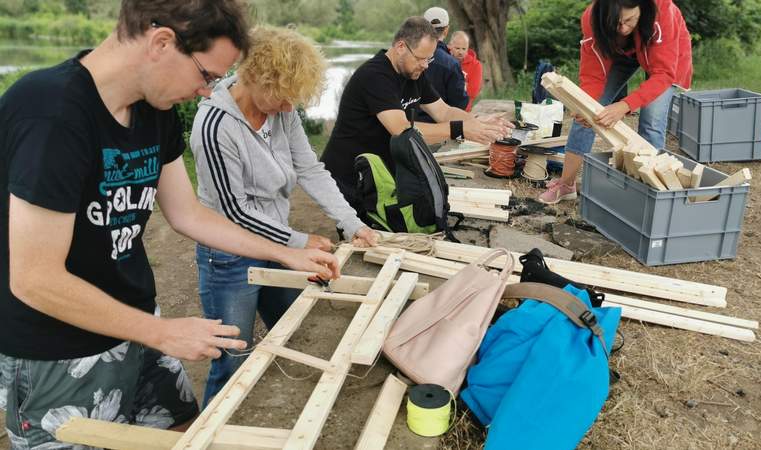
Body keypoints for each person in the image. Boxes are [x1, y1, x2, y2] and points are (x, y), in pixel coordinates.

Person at [0, 1, 339, 447]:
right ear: (162, 42)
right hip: (58, 349)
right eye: (208, 76)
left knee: (185, 435)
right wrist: (163, 333)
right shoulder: (51, 113)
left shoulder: (152, 109)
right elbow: (34, 279)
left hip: (136, 322)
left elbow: (187, 214)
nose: (207, 92)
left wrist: (283, 252)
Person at [189, 26, 379, 407]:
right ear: (255, 75)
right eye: (283, 97)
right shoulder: (214, 127)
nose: (290, 108)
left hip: (276, 244)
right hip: (228, 256)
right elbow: (234, 211)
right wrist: (297, 241)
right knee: (231, 357)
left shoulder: (281, 108)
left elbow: (309, 168)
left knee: (292, 327)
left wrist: (351, 221)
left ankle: (286, 404)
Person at [320, 16, 513, 212]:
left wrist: (477, 122)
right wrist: (460, 129)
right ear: (401, 46)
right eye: (421, 58)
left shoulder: (413, 73)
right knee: (358, 234)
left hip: (378, 170)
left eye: (429, 58)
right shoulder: (375, 76)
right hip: (349, 174)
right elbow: (402, 130)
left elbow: (443, 111)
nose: (425, 65)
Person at [538, 0, 692, 204]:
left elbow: (663, 74)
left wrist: (624, 105)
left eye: (629, 20)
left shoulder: (662, 12)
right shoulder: (593, 18)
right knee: (587, 110)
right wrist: (586, 106)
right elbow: (592, 76)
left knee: (652, 122)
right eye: (616, 23)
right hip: (620, 53)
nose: (623, 28)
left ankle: (652, 197)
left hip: (665, 57)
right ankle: (566, 185)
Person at [416, 6, 469, 122]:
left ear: (422, 29)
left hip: (407, 126)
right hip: (440, 128)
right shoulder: (451, 63)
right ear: (446, 30)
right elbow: (459, 104)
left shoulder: (408, 56)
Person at [448, 30, 483, 112]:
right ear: (450, 46)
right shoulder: (444, 60)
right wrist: (464, 85)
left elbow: (473, 92)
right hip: (443, 109)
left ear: (468, 48)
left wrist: (451, 85)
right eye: (457, 48)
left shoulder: (476, 65)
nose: (461, 52)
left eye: (464, 49)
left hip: (464, 110)